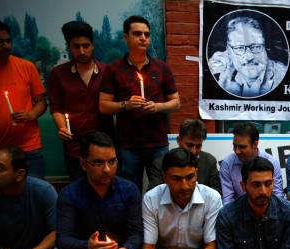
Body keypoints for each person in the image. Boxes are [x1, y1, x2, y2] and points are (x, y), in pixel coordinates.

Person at [99, 15, 180, 191]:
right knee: (129, 190)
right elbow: (103, 106)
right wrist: (125, 105)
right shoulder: (114, 70)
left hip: (157, 142)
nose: (143, 38)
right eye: (137, 33)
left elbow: (176, 102)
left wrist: (158, 107)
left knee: (161, 191)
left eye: (146, 34)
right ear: (125, 37)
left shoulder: (161, 67)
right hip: (128, 145)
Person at [142, 148, 222, 249]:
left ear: (196, 174)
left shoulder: (212, 198)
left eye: (190, 177)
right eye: (176, 179)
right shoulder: (151, 198)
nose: (184, 186)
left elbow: (212, 247)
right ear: (164, 178)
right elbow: (147, 248)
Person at [0, 17, 47, 179]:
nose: (6, 46)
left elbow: (41, 102)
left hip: (29, 149)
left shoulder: (26, 67)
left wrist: (31, 114)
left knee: (34, 193)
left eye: (8, 41)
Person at [48, 21, 112, 181]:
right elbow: (56, 107)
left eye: (86, 45)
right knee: (79, 194)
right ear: (69, 47)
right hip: (75, 147)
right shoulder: (58, 74)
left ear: (93, 45)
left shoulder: (107, 71)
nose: (82, 51)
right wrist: (62, 127)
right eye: (76, 46)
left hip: (105, 146)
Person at [209, 16, 287, 97]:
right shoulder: (226, 75)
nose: (249, 57)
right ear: (228, 51)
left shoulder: (282, 76)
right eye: (239, 48)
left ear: (265, 47)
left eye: (256, 47)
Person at [148, 119, 221, 193]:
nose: (193, 151)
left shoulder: (209, 161)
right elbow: (153, 194)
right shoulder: (160, 163)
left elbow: (217, 192)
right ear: (179, 140)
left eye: (198, 146)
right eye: (189, 145)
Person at [219, 123, 283, 205]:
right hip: (238, 214)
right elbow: (227, 200)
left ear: (255, 144)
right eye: (235, 146)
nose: (237, 151)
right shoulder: (227, 164)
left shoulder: (272, 162)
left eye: (242, 147)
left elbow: (278, 196)